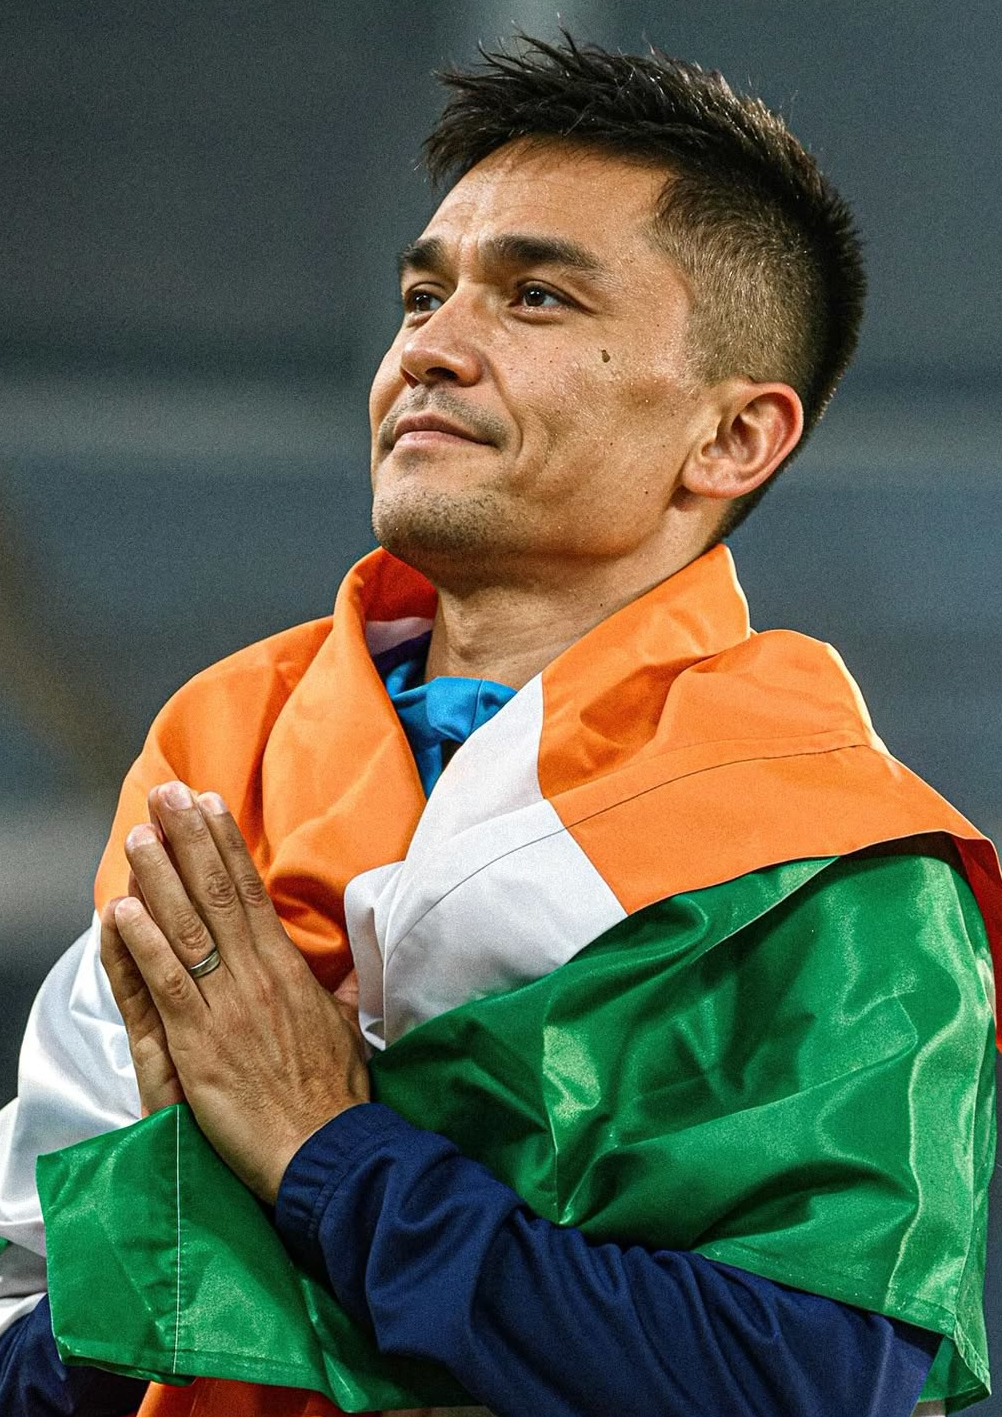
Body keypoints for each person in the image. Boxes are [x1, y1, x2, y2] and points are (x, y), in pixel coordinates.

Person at [1, 28, 999, 1417]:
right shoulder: (222, 763)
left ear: (732, 438)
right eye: (423, 295)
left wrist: (319, 1152)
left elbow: (811, 1381)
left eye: (534, 298)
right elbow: (31, 1338)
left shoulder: (830, 863)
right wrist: (176, 1222)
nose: (429, 348)